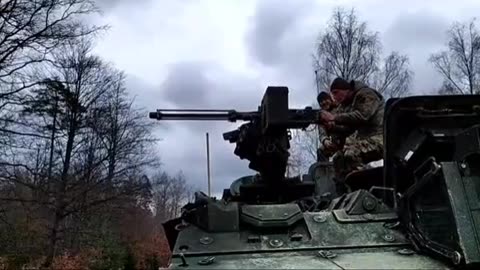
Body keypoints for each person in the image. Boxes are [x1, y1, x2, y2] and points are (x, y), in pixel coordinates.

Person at [318, 77, 385, 194]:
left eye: (336, 93)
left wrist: (334, 117)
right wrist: (332, 127)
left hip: (382, 138)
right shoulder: (349, 103)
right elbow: (349, 128)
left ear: (346, 90)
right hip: (367, 139)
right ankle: (343, 195)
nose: (334, 97)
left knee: (351, 153)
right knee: (338, 158)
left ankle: (364, 193)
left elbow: (362, 116)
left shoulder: (366, 94)